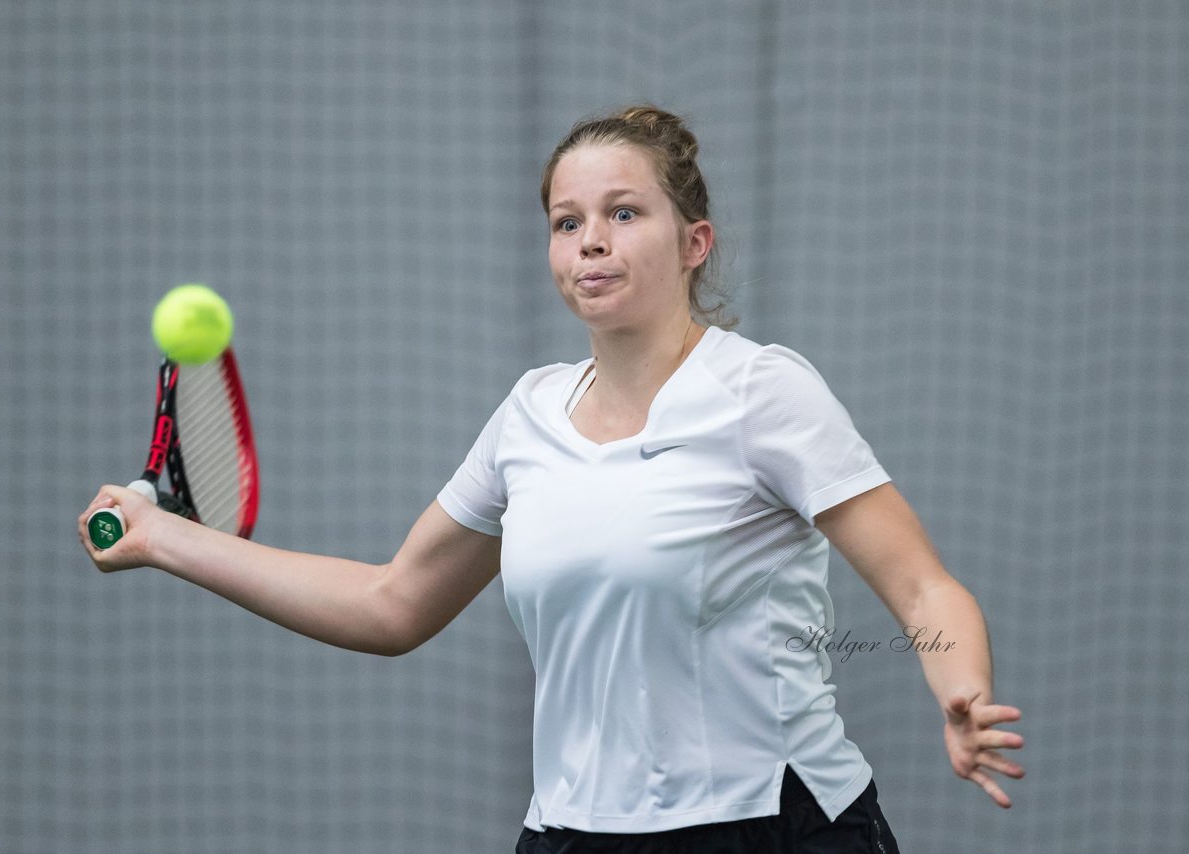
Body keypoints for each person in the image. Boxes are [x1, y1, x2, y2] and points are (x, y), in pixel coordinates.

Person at [80, 105, 1024, 853]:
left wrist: (960, 685)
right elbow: (390, 603)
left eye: (623, 213)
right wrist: (166, 538)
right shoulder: (527, 417)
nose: (591, 241)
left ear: (694, 243)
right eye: (567, 222)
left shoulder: (762, 393)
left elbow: (921, 588)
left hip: (772, 824)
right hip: (574, 833)